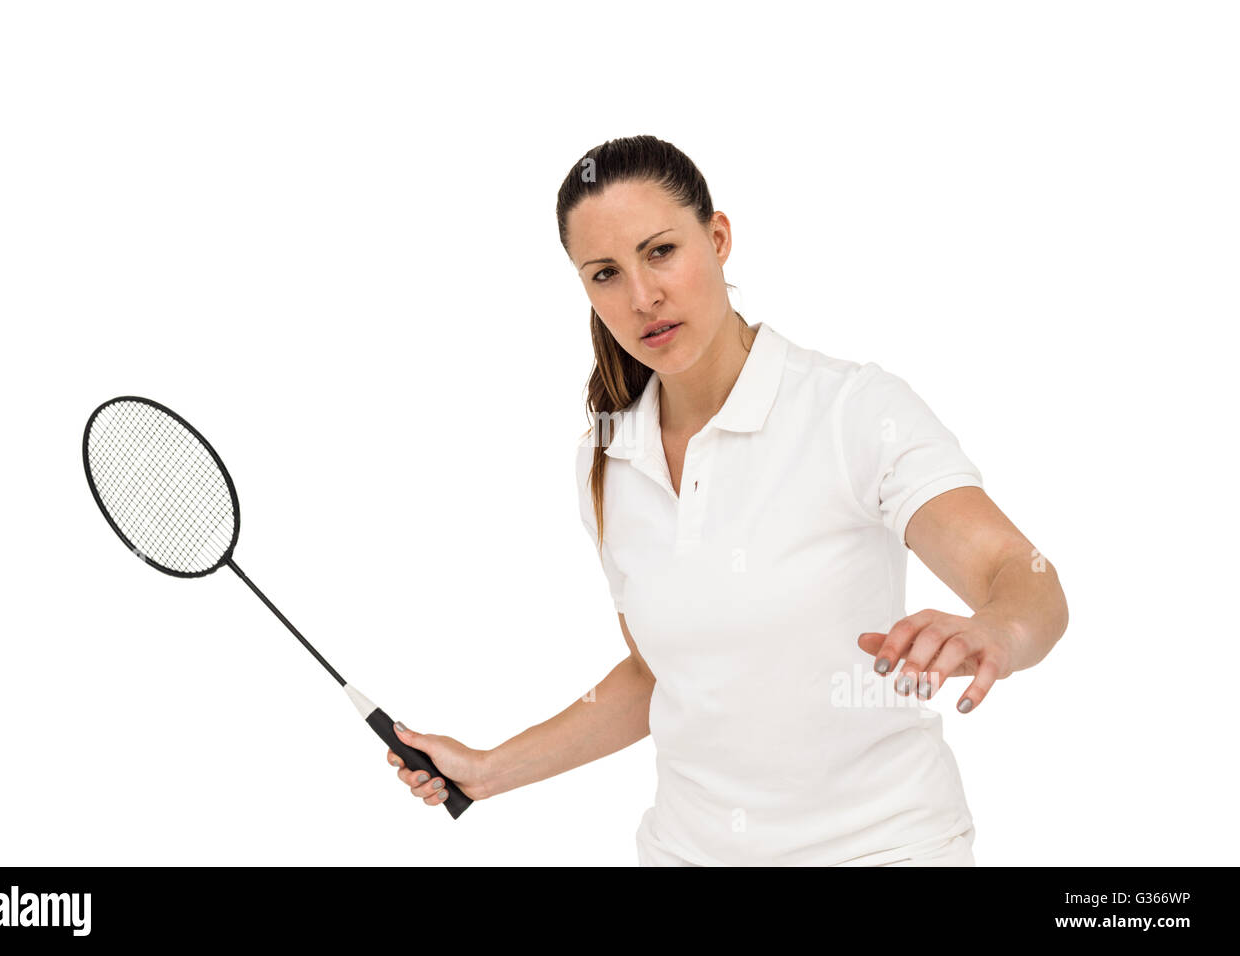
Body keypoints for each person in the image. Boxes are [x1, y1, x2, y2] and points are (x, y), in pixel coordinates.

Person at [383, 134, 1068, 866]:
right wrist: (490, 770)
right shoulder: (606, 457)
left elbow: (1020, 577)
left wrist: (997, 631)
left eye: (661, 252)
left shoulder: (853, 411)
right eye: (606, 273)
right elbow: (658, 675)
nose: (642, 297)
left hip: (886, 850)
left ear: (717, 238)